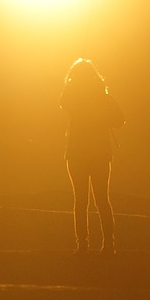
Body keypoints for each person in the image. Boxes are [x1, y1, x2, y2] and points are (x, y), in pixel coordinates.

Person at [60, 58, 123, 256]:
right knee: (102, 199)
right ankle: (108, 245)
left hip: (78, 153)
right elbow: (120, 120)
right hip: (100, 153)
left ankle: (82, 245)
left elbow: (63, 102)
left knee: (81, 200)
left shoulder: (73, 97)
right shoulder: (104, 98)